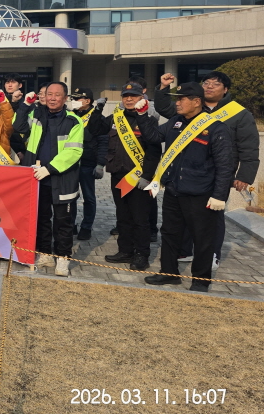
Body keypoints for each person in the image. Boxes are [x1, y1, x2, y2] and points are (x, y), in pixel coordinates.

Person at [155, 70, 259, 270]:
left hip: (218, 175)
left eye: (216, 84)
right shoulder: (190, 108)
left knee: (213, 217)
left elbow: (248, 146)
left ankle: (212, 255)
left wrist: (244, 176)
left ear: (225, 90)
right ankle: (185, 250)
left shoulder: (239, 114)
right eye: (206, 83)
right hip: (187, 174)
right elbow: (164, 108)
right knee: (184, 215)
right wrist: (163, 88)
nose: (209, 86)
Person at [144, 82, 237, 291]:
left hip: (200, 194)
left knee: (202, 238)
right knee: (169, 233)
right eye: (177, 99)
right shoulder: (175, 122)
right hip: (174, 190)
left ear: (196, 102)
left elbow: (225, 166)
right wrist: (142, 115)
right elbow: (153, 136)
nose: (177, 103)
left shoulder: (216, 128)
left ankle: (201, 280)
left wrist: (219, 196)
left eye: (181, 99)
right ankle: (169, 273)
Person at [14, 82, 84, 277]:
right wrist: (25, 105)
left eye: (57, 95)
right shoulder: (37, 114)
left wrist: (49, 169)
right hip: (37, 177)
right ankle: (45, 254)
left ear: (65, 98)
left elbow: (74, 151)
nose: (52, 98)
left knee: (63, 221)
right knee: (42, 218)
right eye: (49, 94)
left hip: (62, 178)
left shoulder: (73, 121)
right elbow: (18, 126)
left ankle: (63, 258)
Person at [95, 83, 161, 271]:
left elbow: (154, 152)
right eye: (126, 96)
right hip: (118, 173)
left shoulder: (148, 120)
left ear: (142, 98)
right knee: (123, 216)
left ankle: (141, 255)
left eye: (134, 96)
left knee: (140, 219)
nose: (129, 99)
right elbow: (95, 129)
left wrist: (147, 176)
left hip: (139, 177)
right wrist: (97, 110)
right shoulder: (116, 118)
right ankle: (125, 250)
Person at [67, 88, 110, 240]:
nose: (74, 101)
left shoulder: (98, 117)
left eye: (77, 99)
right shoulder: (70, 116)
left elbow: (103, 142)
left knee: (89, 197)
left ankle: (86, 227)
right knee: (70, 197)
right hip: (71, 163)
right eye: (73, 98)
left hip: (88, 163)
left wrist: (100, 164)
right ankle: (70, 225)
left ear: (87, 101)